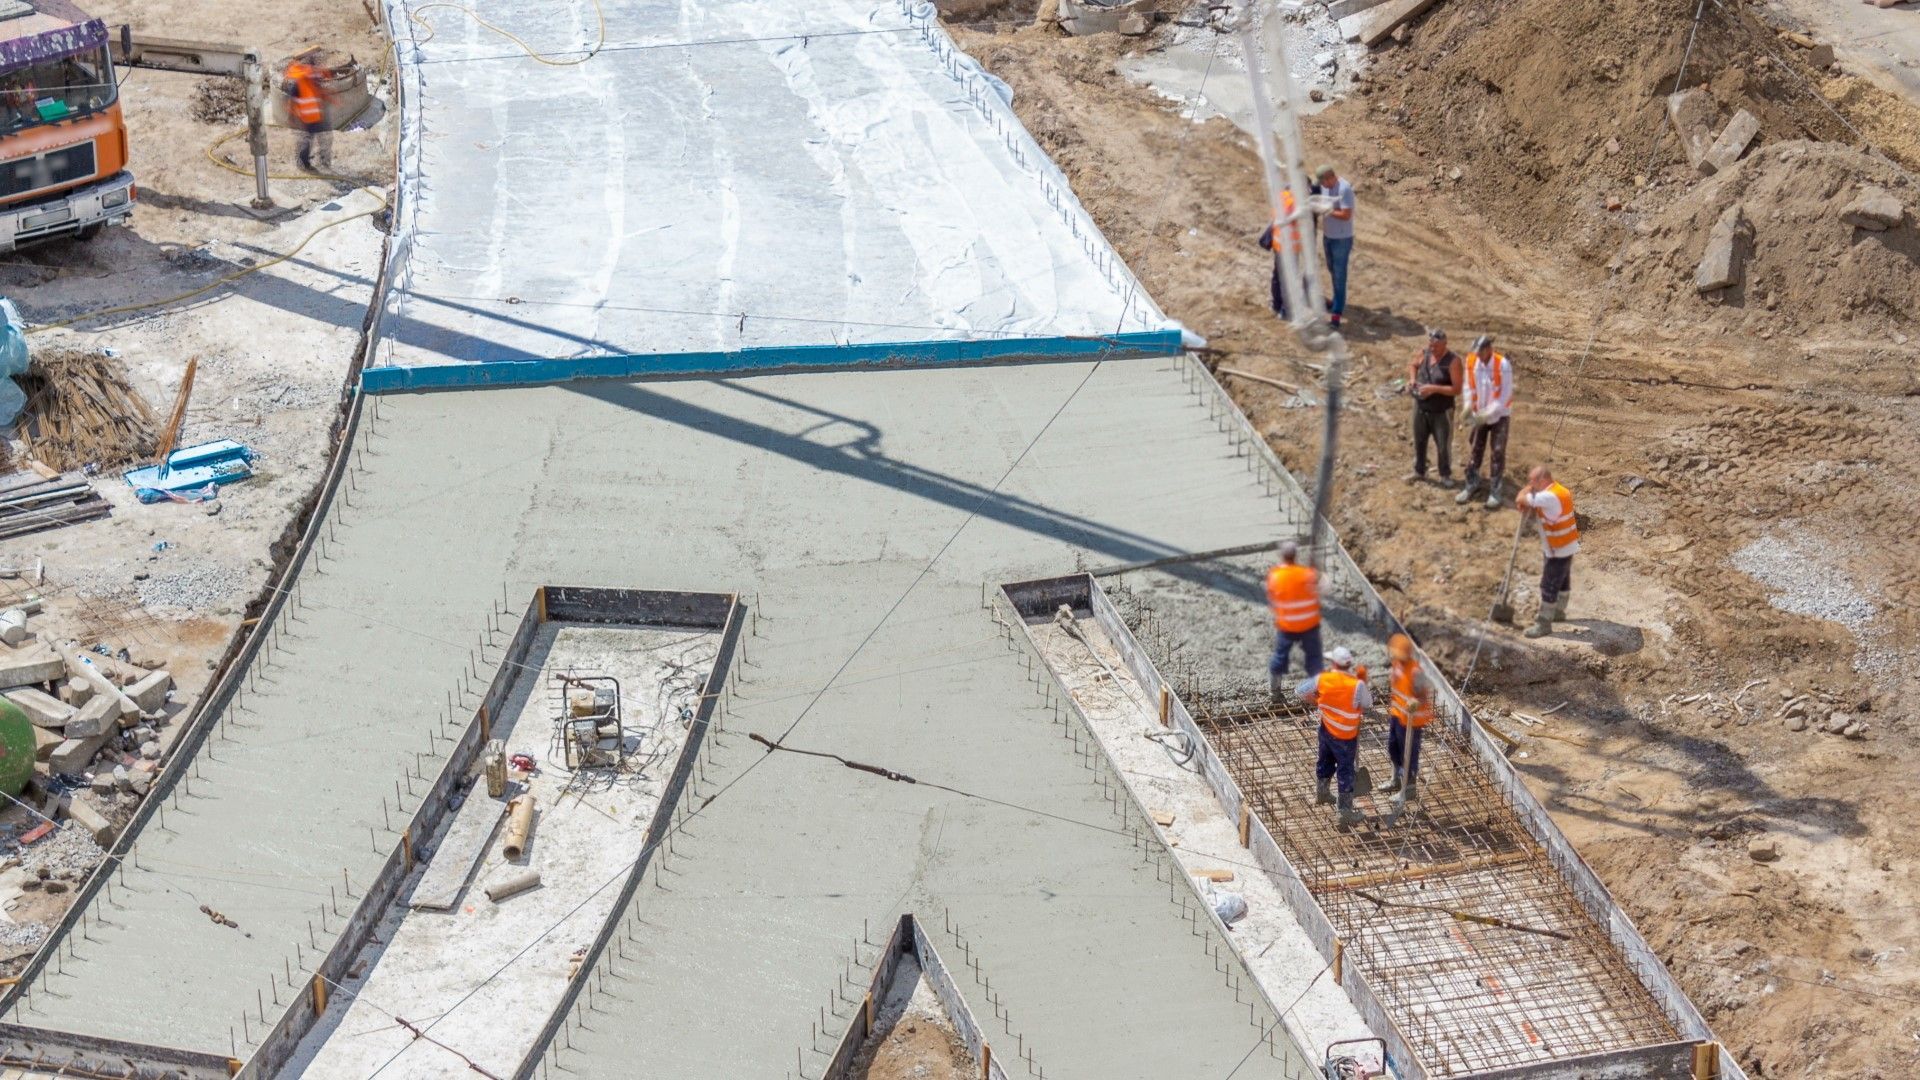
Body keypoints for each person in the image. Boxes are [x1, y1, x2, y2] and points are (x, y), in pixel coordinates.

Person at [1297, 646, 1370, 826]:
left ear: (1334, 663)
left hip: (1327, 729)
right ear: (1349, 664)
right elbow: (1368, 703)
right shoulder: (1356, 684)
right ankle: (1344, 811)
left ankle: (1322, 793)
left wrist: (1317, 701)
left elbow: (1299, 691)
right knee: (1345, 769)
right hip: (1346, 735)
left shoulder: (1323, 678)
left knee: (1325, 760)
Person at [1514, 465, 1580, 638]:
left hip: (1558, 548)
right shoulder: (1559, 490)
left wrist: (1527, 493)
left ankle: (1544, 623)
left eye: (1532, 481)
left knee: (1548, 584)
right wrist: (1531, 497)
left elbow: (1522, 498)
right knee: (1563, 580)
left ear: (1542, 480)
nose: (1530, 484)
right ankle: (1559, 611)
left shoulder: (1548, 496)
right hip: (1567, 544)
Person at [1454, 334, 1514, 510]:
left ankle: (1495, 490)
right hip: (1479, 412)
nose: (1478, 356)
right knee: (1475, 449)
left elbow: (1504, 396)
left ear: (1488, 349)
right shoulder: (1472, 361)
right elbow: (1467, 386)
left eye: (1480, 352)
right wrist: (1467, 406)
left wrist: (1486, 414)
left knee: (1497, 452)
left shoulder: (1502, 365)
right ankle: (1471, 483)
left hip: (1499, 415)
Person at [1384, 633, 1431, 821]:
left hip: (1412, 720)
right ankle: (1396, 779)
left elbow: (1424, 694)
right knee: (1393, 748)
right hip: (1397, 715)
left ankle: (1408, 789)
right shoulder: (1397, 665)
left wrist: (1416, 701)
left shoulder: (1415, 672)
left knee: (1408, 754)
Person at [1265, 540, 1321, 698]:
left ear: (1282, 556)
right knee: (1314, 658)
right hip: (1309, 625)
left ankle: (1274, 692)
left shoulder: (1275, 575)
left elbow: (1272, 601)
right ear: (1296, 555)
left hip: (1287, 625)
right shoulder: (1307, 573)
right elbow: (1321, 590)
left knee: (1279, 658)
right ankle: (1316, 691)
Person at [1405, 328, 1461, 486]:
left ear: (1445, 344)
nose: (1432, 349)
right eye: (1431, 345)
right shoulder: (1425, 353)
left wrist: (1433, 389)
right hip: (1421, 407)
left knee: (1443, 444)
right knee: (1419, 440)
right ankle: (1419, 471)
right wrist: (1412, 380)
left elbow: (1456, 389)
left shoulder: (1453, 361)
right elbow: (1413, 365)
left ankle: (1445, 474)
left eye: (1436, 346)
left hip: (1441, 411)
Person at [1256, 189, 1311, 320]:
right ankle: (1286, 310)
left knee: (1278, 276)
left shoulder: (1283, 195)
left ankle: (1276, 304)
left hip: (1279, 243)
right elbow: (1288, 219)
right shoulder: (1296, 202)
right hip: (1289, 247)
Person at [1313, 165, 1355, 330]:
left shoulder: (1344, 189)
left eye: (1323, 182)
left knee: (1339, 275)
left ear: (1330, 178)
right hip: (1329, 237)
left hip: (1342, 239)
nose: (1322, 185)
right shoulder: (1324, 188)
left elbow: (1346, 215)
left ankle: (1336, 313)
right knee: (1332, 270)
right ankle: (1337, 299)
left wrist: (1327, 211)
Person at [283, 49, 334, 174]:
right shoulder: (299, 83)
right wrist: (291, 117)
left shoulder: (311, 80)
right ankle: (304, 162)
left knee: (323, 138)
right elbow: (292, 102)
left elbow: (319, 90)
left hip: (316, 115)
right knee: (308, 140)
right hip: (309, 117)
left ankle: (322, 160)